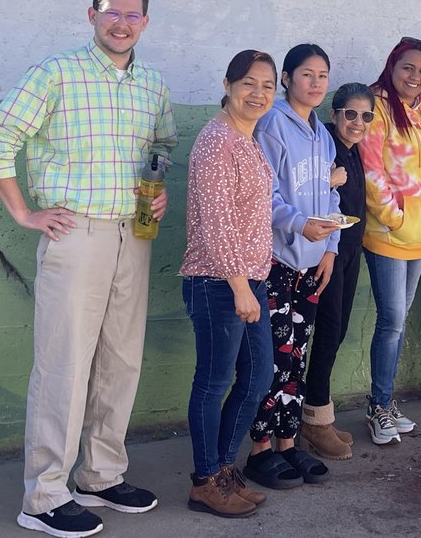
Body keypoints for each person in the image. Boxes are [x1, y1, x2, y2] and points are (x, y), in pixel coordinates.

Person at [0, 0, 177, 538]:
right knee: (64, 365)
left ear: (145, 22)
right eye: (112, 12)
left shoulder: (152, 85)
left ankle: (101, 475)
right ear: (92, 15)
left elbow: (161, 147)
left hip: (131, 236)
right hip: (75, 233)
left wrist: (155, 193)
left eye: (133, 15)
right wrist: (23, 213)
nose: (122, 23)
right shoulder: (57, 73)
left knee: (121, 361)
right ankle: (43, 496)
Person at [182, 49, 278, 518]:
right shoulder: (218, 142)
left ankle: (221, 469)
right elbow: (219, 225)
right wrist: (240, 287)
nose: (258, 93)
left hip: (249, 279)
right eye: (248, 84)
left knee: (259, 375)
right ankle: (205, 480)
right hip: (220, 281)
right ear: (226, 84)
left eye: (267, 85)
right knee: (214, 380)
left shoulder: (247, 137)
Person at [242, 44, 341, 489]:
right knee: (270, 362)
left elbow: (330, 197)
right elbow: (263, 195)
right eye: (307, 74)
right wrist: (301, 225)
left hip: (311, 263)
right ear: (287, 78)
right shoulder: (272, 124)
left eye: (323, 75)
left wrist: (331, 246)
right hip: (277, 260)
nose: (316, 83)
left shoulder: (322, 135)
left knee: (294, 358)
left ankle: (288, 443)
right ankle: (259, 451)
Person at [360, 37, 421, 445]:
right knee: (392, 320)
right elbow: (371, 169)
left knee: (397, 320)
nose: (415, 77)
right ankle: (379, 406)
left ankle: (387, 401)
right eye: (407, 68)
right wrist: (394, 217)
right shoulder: (376, 106)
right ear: (392, 67)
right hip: (387, 233)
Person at [301, 82, 376, 460]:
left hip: (349, 252)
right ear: (334, 115)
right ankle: (312, 421)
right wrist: (326, 180)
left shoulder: (352, 149)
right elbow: (300, 191)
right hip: (326, 254)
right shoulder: (325, 146)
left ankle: (315, 414)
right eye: (350, 114)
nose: (357, 122)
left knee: (338, 330)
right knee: (327, 331)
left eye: (366, 116)